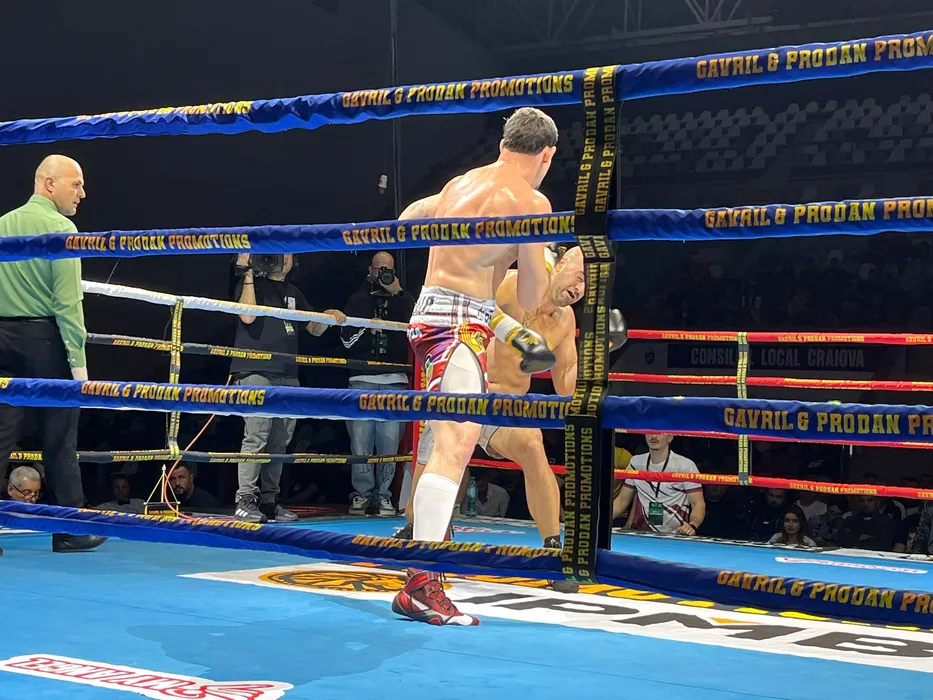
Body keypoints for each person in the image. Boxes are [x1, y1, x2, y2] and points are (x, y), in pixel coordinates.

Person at [392, 107, 558, 626]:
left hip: (430, 313)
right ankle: (421, 582)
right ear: (547, 155)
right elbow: (529, 296)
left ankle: (427, 569)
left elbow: (405, 222)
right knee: (455, 445)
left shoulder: (460, 183)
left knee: (448, 443)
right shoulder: (531, 202)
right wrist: (540, 260)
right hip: (461, 321)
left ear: (505, 144)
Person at [0, 155, 105, 554]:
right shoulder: (62, 229)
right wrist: (79, 366)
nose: (82, 193)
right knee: (59, 438)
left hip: (1, 336)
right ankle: (70, 529)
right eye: (75, 184)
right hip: (44, 339)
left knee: (0, 434)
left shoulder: (2, 225)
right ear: (48, 184)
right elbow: (67, 303)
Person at [231, 253, 346, 523]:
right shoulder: (251, 285)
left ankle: (269, 501)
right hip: (256, 371)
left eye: (288, 254)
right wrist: (247, 273)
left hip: (287, 374)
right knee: (256, 437)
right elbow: (247, 317)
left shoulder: (294, 292)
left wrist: (329, 316)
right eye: (278, 253)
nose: (283, 258)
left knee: (279, 442)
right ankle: (244, 500)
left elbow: (314, 329)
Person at [340, 251, 415, 517]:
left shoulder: (403, 301)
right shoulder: (358, 299)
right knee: (360, 444)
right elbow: (345, 340)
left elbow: (419, 325)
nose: (383, 273)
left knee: (389, 444)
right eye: (379, 268)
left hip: (394, 381)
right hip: (362, 380)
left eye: (388, 269)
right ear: (370, 270)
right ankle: (361, 496)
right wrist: (366, 327)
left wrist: (400, 293)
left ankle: (383, 496)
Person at [612, 434, 706, 535]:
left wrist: (692, 525)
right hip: (641, 534)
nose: (654, 436)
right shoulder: (636, 463)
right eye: (650, 432)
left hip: (675, 535)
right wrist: (600, 518)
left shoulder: (685, 466)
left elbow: (698, 504)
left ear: (670, 437)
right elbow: (622, 501)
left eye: (659, 432)